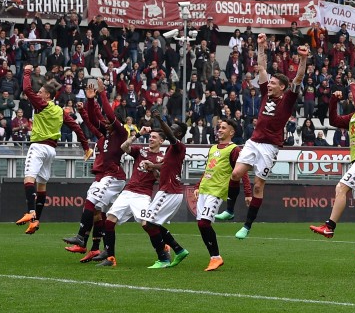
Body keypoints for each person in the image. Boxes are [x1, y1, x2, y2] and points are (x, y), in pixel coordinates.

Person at [217, 37, 308, 239]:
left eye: (274, 83)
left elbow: (299, 78)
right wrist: (260, 46)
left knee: (258, 186)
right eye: (271, 82)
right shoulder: (266, 93)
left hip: (269, 147)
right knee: (235, 174)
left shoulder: (288, 100)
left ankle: (247, 226)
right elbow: (261, 67)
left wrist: (303, 60)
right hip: (253, 142)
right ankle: (230, 210)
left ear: (282, 87)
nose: (270, 84)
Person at [310, 81, 355, 261]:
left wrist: (352, 87)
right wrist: (333, 101)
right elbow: (334, 120)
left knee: (341, 188)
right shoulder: (354, 116)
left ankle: (330, 226)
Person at [15, 64, 89, 234]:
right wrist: (86, 147)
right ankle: (36, 221)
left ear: (47, 95)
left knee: (28, 179)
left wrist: (27, 71)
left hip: (39, 146)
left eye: (40, 92)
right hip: (51, 151)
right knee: (42, 185)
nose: (38, 93)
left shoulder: (42, 105)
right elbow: (77, 128)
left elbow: (26, 88)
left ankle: (30, 212)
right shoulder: (60, 111)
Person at [63, 80, 127, 262]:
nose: (105, 122)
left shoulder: (121, 133)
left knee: (92, 201)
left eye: (109, 121)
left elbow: (105, 113)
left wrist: (102, 93)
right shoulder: (104, 135)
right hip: (103, 176)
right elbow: (93, 119)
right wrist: (89, 103)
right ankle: (97, 249)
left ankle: (82, 238)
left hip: (113, 176)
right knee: (98, 211)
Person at [93, 123, 164, 268]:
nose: (151, 139)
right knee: (109, 221)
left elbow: (159, 178)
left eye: (154, 137)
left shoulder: (162, 158)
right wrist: (138, 135)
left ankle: (163, 254)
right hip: (127, 191)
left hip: (143, 195)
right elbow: (124, 147)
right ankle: (110, 257)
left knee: (147, 225)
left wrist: (151, 168)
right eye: (150, 137)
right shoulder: (142, 151)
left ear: (161, 141)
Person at [195, 118, 246, 272]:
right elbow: (207, 169)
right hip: (205, 189)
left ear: (231, 132)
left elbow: (241, 171)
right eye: (219, 127)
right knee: (201, 225)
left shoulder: (234, 149)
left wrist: (249, 193)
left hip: (217, 191)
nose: (220, 130)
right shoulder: (212, 148)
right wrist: (198, 186)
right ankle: (214, 258)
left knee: (204, 223)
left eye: (223, 128)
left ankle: (216, 257)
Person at [140, 114, 190, 269]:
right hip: (167, 190)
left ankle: (163, 259)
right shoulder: (171, 150)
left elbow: (168, 134)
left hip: (170, 191)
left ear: (178, 134)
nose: (169, 130)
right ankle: (178, 250)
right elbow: (165, 166)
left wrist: (161, 121)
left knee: (149, 223)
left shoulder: (178, 145)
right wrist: (152, 166)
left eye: (172, 129)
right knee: (152, 224)